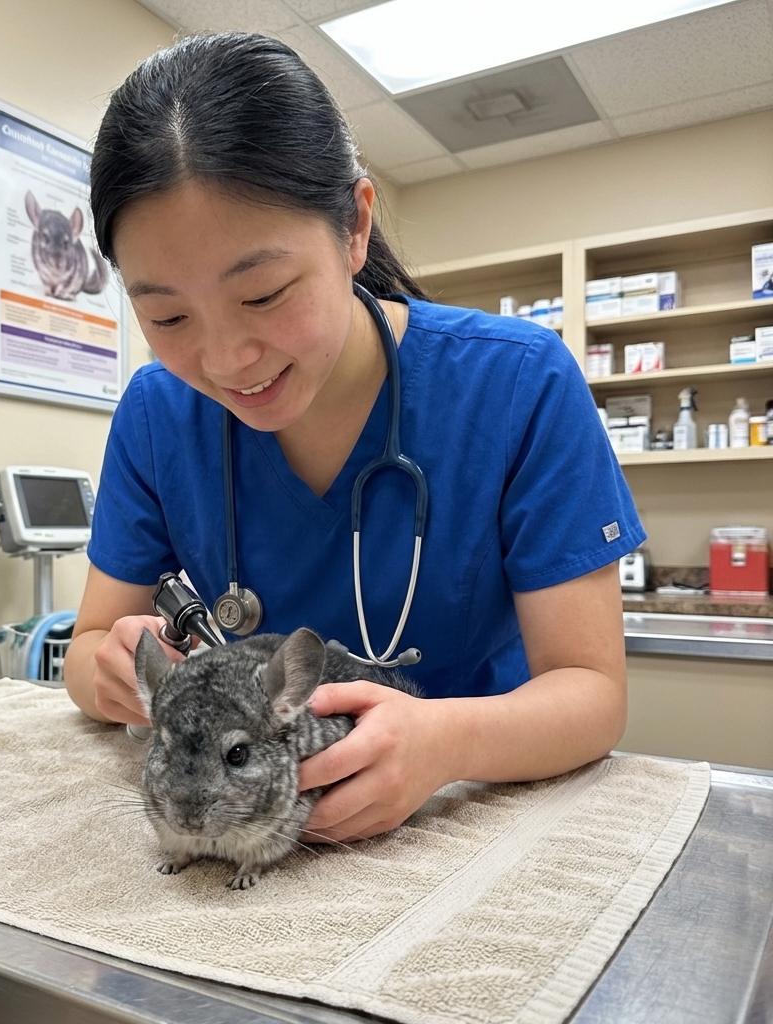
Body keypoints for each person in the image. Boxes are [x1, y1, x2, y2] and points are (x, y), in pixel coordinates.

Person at [63, 32, 643, 843]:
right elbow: (87, 647)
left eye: (263, 295)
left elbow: (590, 691)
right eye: (166, 316)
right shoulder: (160, 414)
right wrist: (118, 673)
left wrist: (445, 743)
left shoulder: (519, 384)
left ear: (354, 228)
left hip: (472, 816)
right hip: (243, 831)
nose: (227, 360)